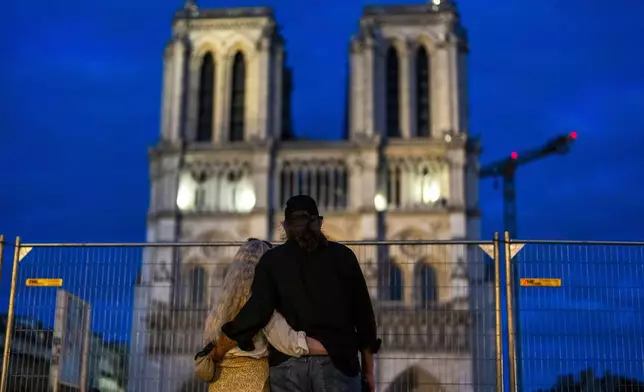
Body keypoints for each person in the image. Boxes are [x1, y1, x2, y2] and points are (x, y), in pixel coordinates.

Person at [217, 195, 381, 392]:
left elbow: (257, 311)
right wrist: (369, 371)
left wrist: (219, 347)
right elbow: (364, 318)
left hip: (288, 366)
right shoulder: (344, 256)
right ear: (319, 223)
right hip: (338, 364)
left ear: (285, 226)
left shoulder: (272, 261)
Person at [200, 238, 328, 392]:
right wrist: (332, 347)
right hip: (253, 382)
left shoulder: (220, 307)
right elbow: (289, 342)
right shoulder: (262, 304)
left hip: (220, 382)